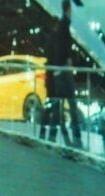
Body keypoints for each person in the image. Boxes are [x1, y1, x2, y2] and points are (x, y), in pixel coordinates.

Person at [44, 1, 81, 147]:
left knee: (57, 105)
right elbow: (65, 47)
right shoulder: (64, 26)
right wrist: (69, 60)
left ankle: (52, 135)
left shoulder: (53, 34)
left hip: (57, 73)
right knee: (71, 103)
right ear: (68, 10)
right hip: (64, 72)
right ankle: (76, 135)